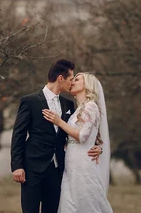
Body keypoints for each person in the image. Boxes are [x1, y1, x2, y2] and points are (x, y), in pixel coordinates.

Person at [11, 60, 103, 213]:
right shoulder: (30, 101)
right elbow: (18, 135)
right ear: (61, 78)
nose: (72, 82)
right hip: (32, 167)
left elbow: (78, 133)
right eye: (71, 78)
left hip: (58, 169)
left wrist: (98, 148)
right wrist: (17, 166)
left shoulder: (68, 104)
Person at [42, 72, 113, 213]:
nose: (72, 81)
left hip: (83, 164)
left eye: (77, 79)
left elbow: (83, 136)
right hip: (70, 164)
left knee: (87, 203)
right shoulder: (78, 109)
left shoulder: (91, 106)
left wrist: (59, 121)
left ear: (87, 84)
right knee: (69, 205)